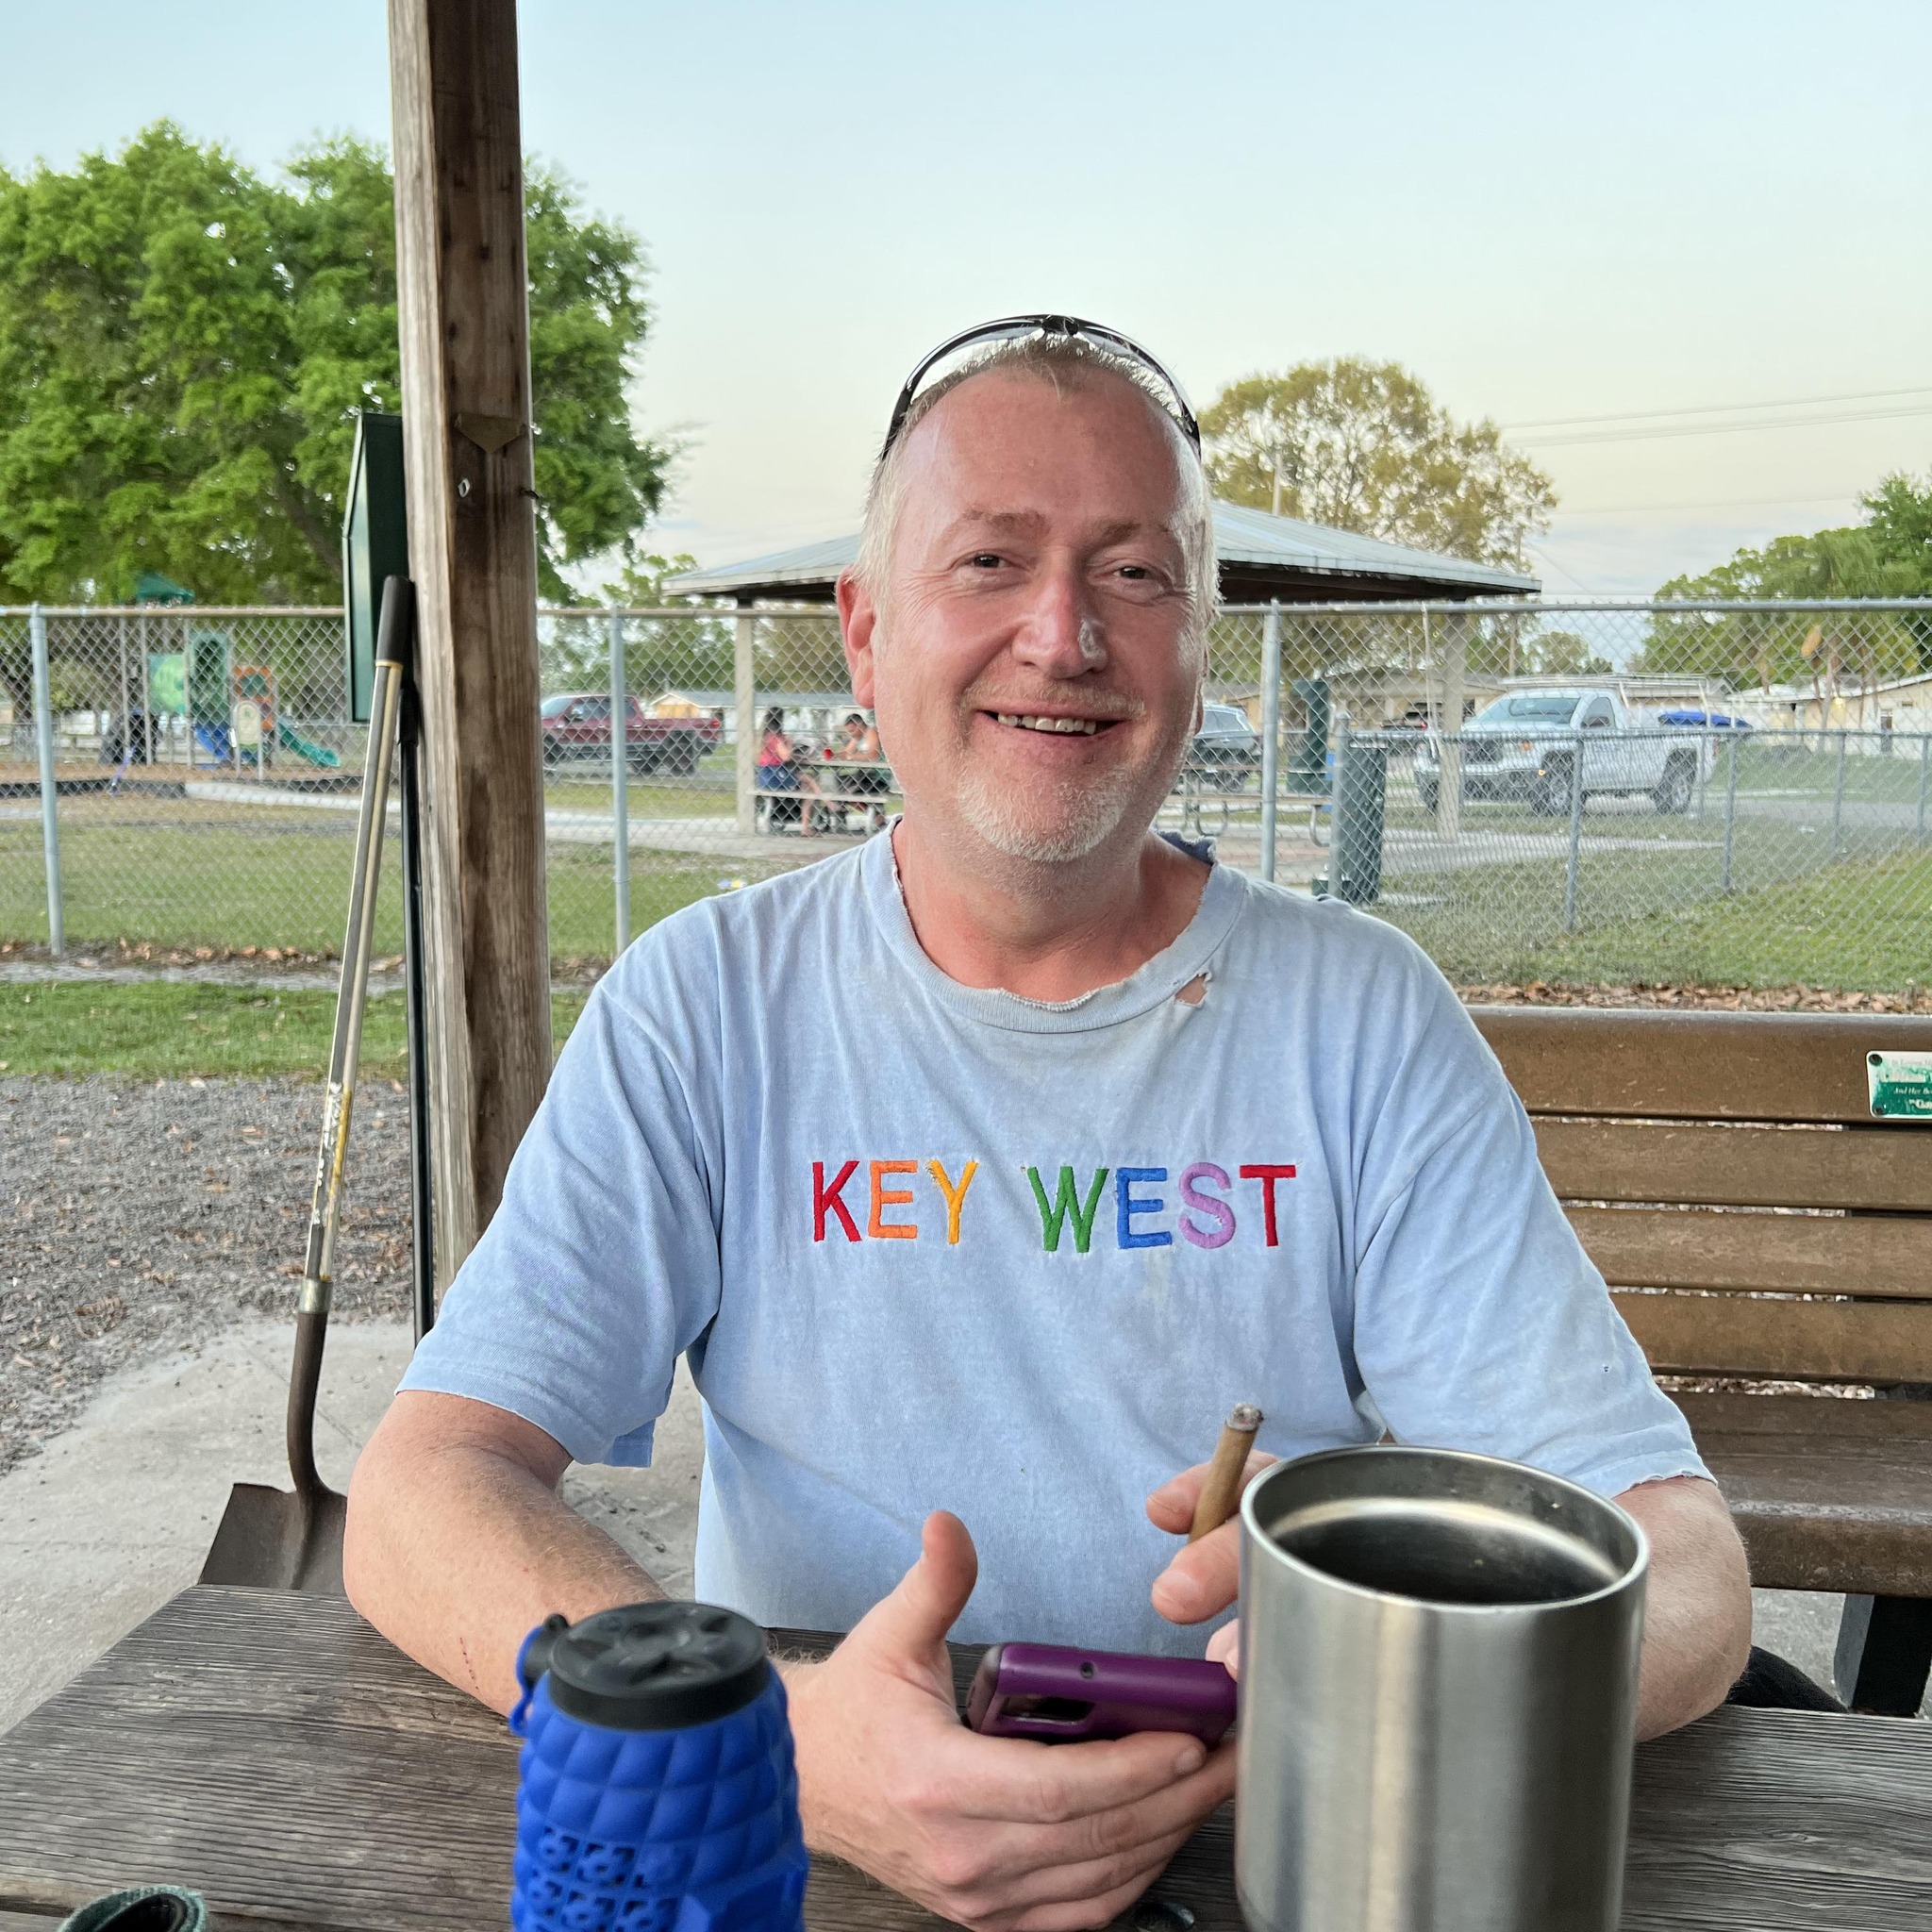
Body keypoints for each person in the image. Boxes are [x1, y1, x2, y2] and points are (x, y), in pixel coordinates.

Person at [345, 319, 1754, 1932]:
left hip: (1279, 1852)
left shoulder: (1363, 1014)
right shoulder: (705, 1001)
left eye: (1134, 574)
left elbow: (1682, 1564)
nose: (1062, 631)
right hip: (802, 1857)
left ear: (1195, 645)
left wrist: (1389, 1668)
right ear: (865, 637)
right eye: (990, 560)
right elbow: (419, 1494)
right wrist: (771, 1742)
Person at [754, 705, 822, 829]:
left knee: (806, 783)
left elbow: (777, 754)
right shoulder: (775, 736)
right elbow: (786, 757)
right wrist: (789, 743)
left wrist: (799, 756)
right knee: (809, 780)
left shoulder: (762, 736)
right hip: (774, 775)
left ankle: (801, 819)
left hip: (763, 776)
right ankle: (808, 824)